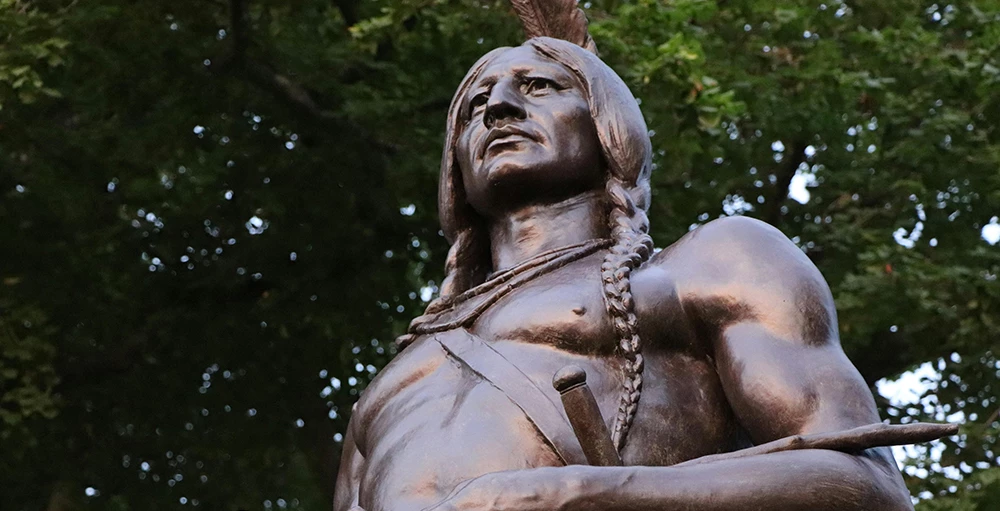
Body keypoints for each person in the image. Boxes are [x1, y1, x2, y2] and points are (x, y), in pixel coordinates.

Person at [333, 36, 916, 511]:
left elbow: (862, 483)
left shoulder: (714, 262)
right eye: (474, 106)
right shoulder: (392, 381)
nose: (498, 108)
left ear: (611, 131)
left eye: (538, 86)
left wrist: (585, 493)